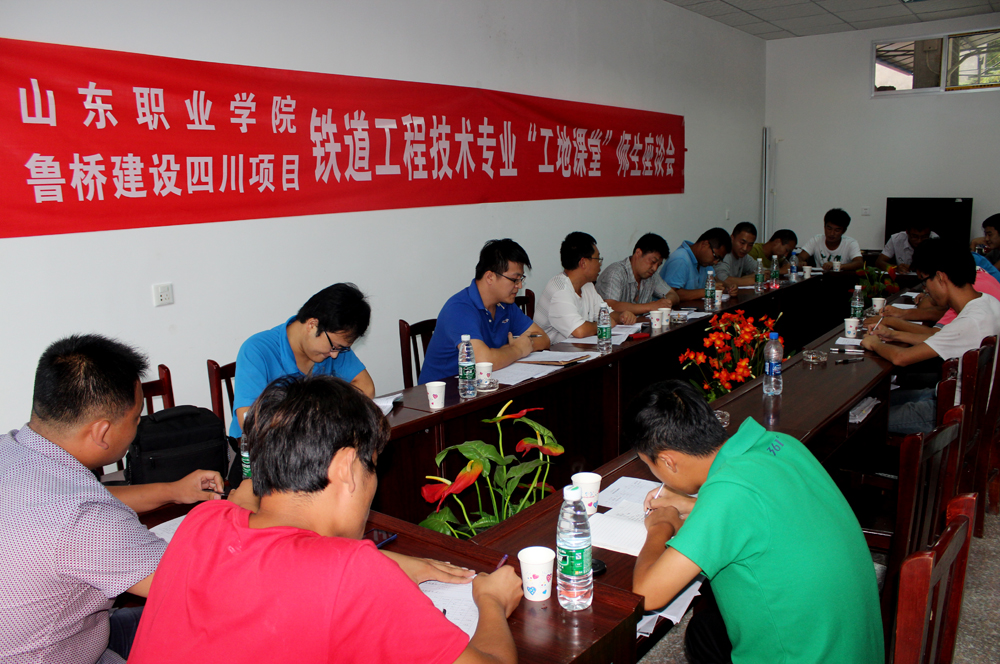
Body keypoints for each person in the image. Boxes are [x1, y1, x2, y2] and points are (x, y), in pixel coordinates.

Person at [128, 374, 523, 664]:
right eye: (372, 467)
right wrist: (492, 600)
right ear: (347, 468)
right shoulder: (352, 572)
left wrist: (394, 565)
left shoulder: (204, 520)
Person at [0, 335, 225, 664]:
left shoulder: (14, 451)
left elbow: (82, 499)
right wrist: (242, 513)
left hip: (73, 633)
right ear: (102, 432)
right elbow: (196, 586)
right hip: (63, 654)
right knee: (219, 627)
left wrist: (174, 490)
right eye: (135, 419)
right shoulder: (86, 519)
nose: (137, 427)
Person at [626, 380, 883, 664]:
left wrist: (660, 525)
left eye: (650, 466)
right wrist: (694, 505)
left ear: (668, 461)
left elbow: (647, 595)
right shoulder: (780, 443)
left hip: (801, 657)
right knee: (704, 629)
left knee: (704, 635)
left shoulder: (729, 495)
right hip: (854, 648)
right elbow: (766, 508)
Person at [862, 239, 1000, 434]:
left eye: (925, 282)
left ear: (941, 277)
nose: (926, 290)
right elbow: (945, 338)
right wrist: (891, 334)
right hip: (966, 401)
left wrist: (874, 343)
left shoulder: (970, 321)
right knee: (878, 402)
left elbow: (901, 358)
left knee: (865, 419)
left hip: (952, 412)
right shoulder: (988, 303)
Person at [230, 282, 374, 438]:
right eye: (334, 347)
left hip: (315, 442)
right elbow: (249, 420)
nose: (335, 355)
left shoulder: (333, 346)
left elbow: (366, 388)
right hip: (263, 447)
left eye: (341, 348)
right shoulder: (257, 350)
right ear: (312, 325)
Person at [420, 239, 550, 383]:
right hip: (446, 393)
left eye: (521, 279)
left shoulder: (505, 304)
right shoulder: (459, 309)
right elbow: (482, 362)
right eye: (514, 279)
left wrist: (509, 350)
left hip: (484, 386)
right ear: (490, 277)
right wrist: (517, 350)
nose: (519, 286)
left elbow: (543, 338)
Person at [535, 232, 637, 344]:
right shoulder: (559, 290)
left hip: (575, 349)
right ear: (583, 262)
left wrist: (622, 316)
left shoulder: (587, 285)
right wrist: (604, 324)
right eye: (598, 259)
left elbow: (606, 314)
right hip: (552, 352)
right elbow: (580, 331)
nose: (600, 264)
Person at [595, 232, 679, 315]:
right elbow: (610, 305)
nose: (655, 268)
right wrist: (650, 306)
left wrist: (664, 303)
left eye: (659, 265)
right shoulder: (615, 273)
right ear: (638, 253)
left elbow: (673, 295)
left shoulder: (652, 276)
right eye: (653, 262)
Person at [658, 227, 732, 301]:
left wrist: (728, 288)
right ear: (705, 244)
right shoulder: (680, 259)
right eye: (716, 257)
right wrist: (708, 292)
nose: (716, 262)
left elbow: (716, 280)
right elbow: (671, 294)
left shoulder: (705, 262)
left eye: (719, 260)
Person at [798, 208, 863, 272]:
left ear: (844, 231)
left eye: (837, 230)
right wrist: (800, 262)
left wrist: (837, 266)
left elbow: (859, 263)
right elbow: (800, 257)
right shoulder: (816, 240)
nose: (832, 233)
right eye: (829, 229)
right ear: (824, 227)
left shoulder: (851, 243)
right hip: (820, 278)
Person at [714, 222, 757, 289]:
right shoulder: (724, 254)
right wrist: (751, 280)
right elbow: (722, 279)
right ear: (732, 238)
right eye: (742, 243)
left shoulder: (743, 255)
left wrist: (744, 278)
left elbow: (761, 270)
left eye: (750, 245)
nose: (745, 248)